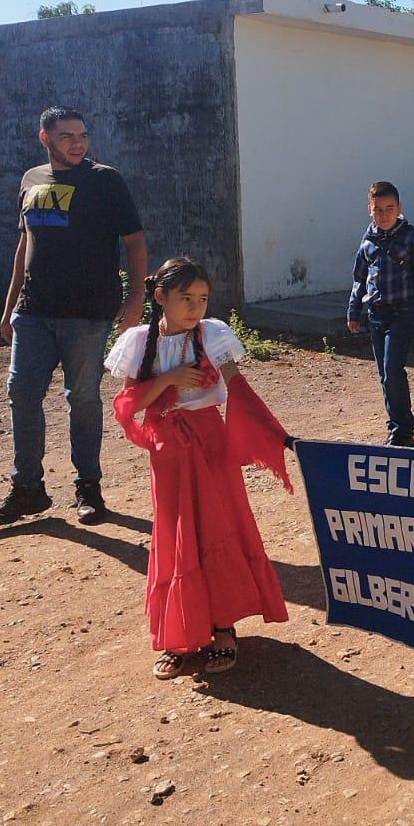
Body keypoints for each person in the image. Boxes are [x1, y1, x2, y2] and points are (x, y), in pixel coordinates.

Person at [107, 257, 290, 680]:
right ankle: (180, 636)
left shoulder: (214, 335)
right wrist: (169, 378)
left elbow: (240, 392)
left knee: (219, 526)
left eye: (202, 298)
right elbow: (128, 404)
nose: (195, 307)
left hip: (211, 444)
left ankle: (223, 627)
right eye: (185, 298)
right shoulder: (138, 342)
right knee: (175, 533)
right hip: (168, 450)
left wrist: (276, 436)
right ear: (161, 298)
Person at [0, 107, 147, 527]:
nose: (78, 143)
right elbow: (25, 247)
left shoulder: (105, 180)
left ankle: (89, 488)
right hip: (34, 310)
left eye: (83, 135)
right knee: (21, 393)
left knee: (83, 400)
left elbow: (135, 241)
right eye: (68, 135)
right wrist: (10, 305)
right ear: (46, 138)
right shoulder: (31, 180)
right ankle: (28, 490)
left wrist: (135, 298)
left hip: (88, 312)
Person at [347, 181, 414, 448]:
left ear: (400, 208)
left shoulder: (412, 238)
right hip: (376, 314)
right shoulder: (368, 240)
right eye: (378, 210)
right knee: (385, 374)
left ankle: (403, 431)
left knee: (392, 368)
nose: (384, 215)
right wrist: (353, 309)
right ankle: (394, 426)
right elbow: (359, 278)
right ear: (369, 210)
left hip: (404, 312)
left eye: (390, 208)